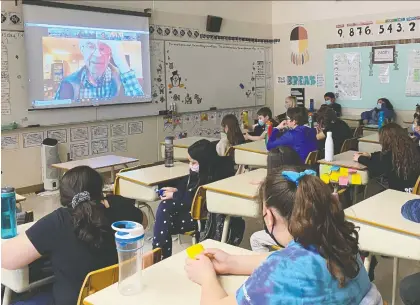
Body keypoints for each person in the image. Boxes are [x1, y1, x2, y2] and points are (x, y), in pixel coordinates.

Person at [184, 166, 372, 304]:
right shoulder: (339, 241)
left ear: (269, 216)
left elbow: (284, 266)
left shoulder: (284, 273)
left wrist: (206, 277)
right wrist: (231, 262)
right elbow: (290, 260)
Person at [1, 166, 146, 305]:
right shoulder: (120, 205)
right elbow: (144, 222)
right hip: (114, 297)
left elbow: (7, 259)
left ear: (64, 196)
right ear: (100, 189)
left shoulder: (57, 221)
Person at [153, 139, 233, 259]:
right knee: (165, 211)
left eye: (194, 162)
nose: (191, 165)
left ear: (204, 161)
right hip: (193, 212)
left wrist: (174, 196)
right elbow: (188, 188)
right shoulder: (203, 171)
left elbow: (194, 200)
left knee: (164, 213)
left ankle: (158, 255)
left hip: (203, 218)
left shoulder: (212, 176)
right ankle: (159, 254)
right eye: (189, 161)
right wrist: (176, 191)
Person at [250, 147, 303, 252]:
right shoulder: (308, 183)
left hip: (292, 237)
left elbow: (270, 143)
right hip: (312, 236)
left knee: (255, 238)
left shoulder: (270, 193)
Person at [55, 39, 144, 100]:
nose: (97, 54)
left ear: (110, 53)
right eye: (91, 46)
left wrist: (122, 63)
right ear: (82, 50)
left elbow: (141, 108)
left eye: (103, 48)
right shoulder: (67, 83)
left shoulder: (123, 80)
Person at [354, 123, 420, 193]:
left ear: (386, 139)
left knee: (372, 183)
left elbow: (375, 168)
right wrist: (370, 155)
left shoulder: (390, 156)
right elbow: (383, 157)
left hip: (399, 192)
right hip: (415, 189)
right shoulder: (413, 148)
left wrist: (359, 158)